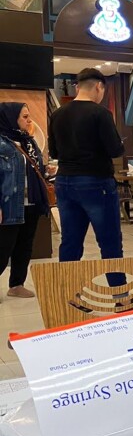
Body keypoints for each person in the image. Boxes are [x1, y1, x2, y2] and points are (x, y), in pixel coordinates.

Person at [49, 68, 125, 262]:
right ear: (99, 86)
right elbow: (115, 150)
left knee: (70, 241)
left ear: (78, 87)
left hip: (64, 181)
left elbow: (54, 152)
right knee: (110, 242)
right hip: (96, 182)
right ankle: (118, 290)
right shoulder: (100, 113)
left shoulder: (58, 114)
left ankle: (67, 290)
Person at [0, 103, 53, 301]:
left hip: (30, 202)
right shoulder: (2, 143)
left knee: (25, 245)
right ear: (10, 118)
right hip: (9, 203)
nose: (29, 121)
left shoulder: (28, 141)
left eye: (29, 116)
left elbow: (34, 168)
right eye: (24, 116)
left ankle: (16, 284)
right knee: (4, 246)